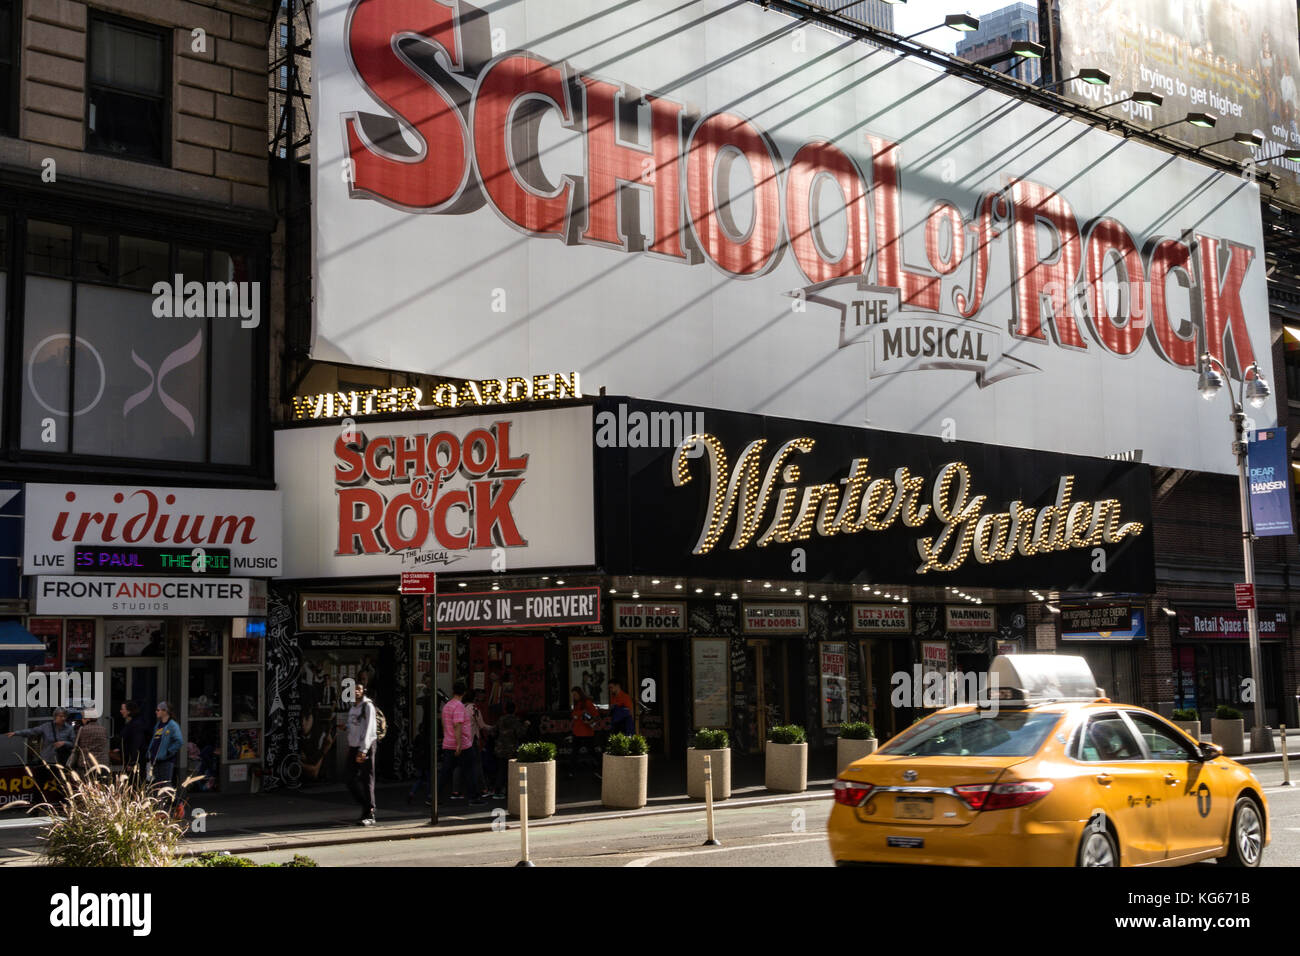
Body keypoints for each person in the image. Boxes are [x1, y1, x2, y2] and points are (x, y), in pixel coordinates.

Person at [346, 674, 378, 825]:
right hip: (353, 747)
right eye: (353, 689)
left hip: (365, 747)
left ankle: (370, 813)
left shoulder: (368, 706)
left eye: (358, 689)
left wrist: (363, 750)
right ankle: (365, 805)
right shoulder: (353, 707)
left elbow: (371, 729)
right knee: (349, 778)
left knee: (367, 779)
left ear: (363, 690)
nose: (356, 691)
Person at [6, 708, 76, 765]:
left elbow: (74, 744)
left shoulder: (69, 729)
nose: (63, 718)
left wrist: (64, 743)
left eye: (64, 716)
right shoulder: (47, 727)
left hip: (63, 760)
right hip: (48, 759)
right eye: (60, 716)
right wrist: (16, 733)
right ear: (55, 717)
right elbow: (32, 731)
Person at [492, 701, 529, 800]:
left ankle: (498, 790)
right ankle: (510, 790)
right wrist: (525, 725)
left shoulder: (501, 719)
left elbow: (493, 732)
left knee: (501, 770)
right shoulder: (515, 720)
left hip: (500, 748)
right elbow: (520, 734)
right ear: (515, 710)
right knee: (512, 771)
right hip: (511, 749)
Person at [146, 702, 184, 792]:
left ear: (165, 711)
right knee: (157, 784)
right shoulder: (158, 725)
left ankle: (177, 803)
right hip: (155, 759)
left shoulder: (172, 725)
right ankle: (161, 804)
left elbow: (179, 741)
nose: (156, 712)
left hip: (166, 760)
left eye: (158, 710)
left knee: (165, 784)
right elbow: (155, 740)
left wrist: (168, 752)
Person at [569, 686, 599, 778]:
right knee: (574, 753)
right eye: (572, 695)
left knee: (592, 752)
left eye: (575, 694)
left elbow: (596, 716)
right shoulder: (576, 704)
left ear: (580, 694)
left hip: (587, 734)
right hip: (577, 733)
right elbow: (574, 717)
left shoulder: (587, 703)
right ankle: (572, 772)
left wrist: (589, 722)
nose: (574, 696)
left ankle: (601, 769)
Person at [117, 700, 152, 778]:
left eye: (122, 709)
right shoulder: (133, 723)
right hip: (132, 760)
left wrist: (132, 762)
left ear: (129, 711)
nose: (121, 711)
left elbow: (136, 743)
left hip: (135, 762)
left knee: (134, 782)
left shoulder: (136, 725)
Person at [70, 714, 111, 780]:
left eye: (83, 718)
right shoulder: (104, 729)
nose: (82, 720)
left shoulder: (82, 729)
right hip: (102, 762)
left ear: (88, 718)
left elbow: (76, 745)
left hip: (86, 763)